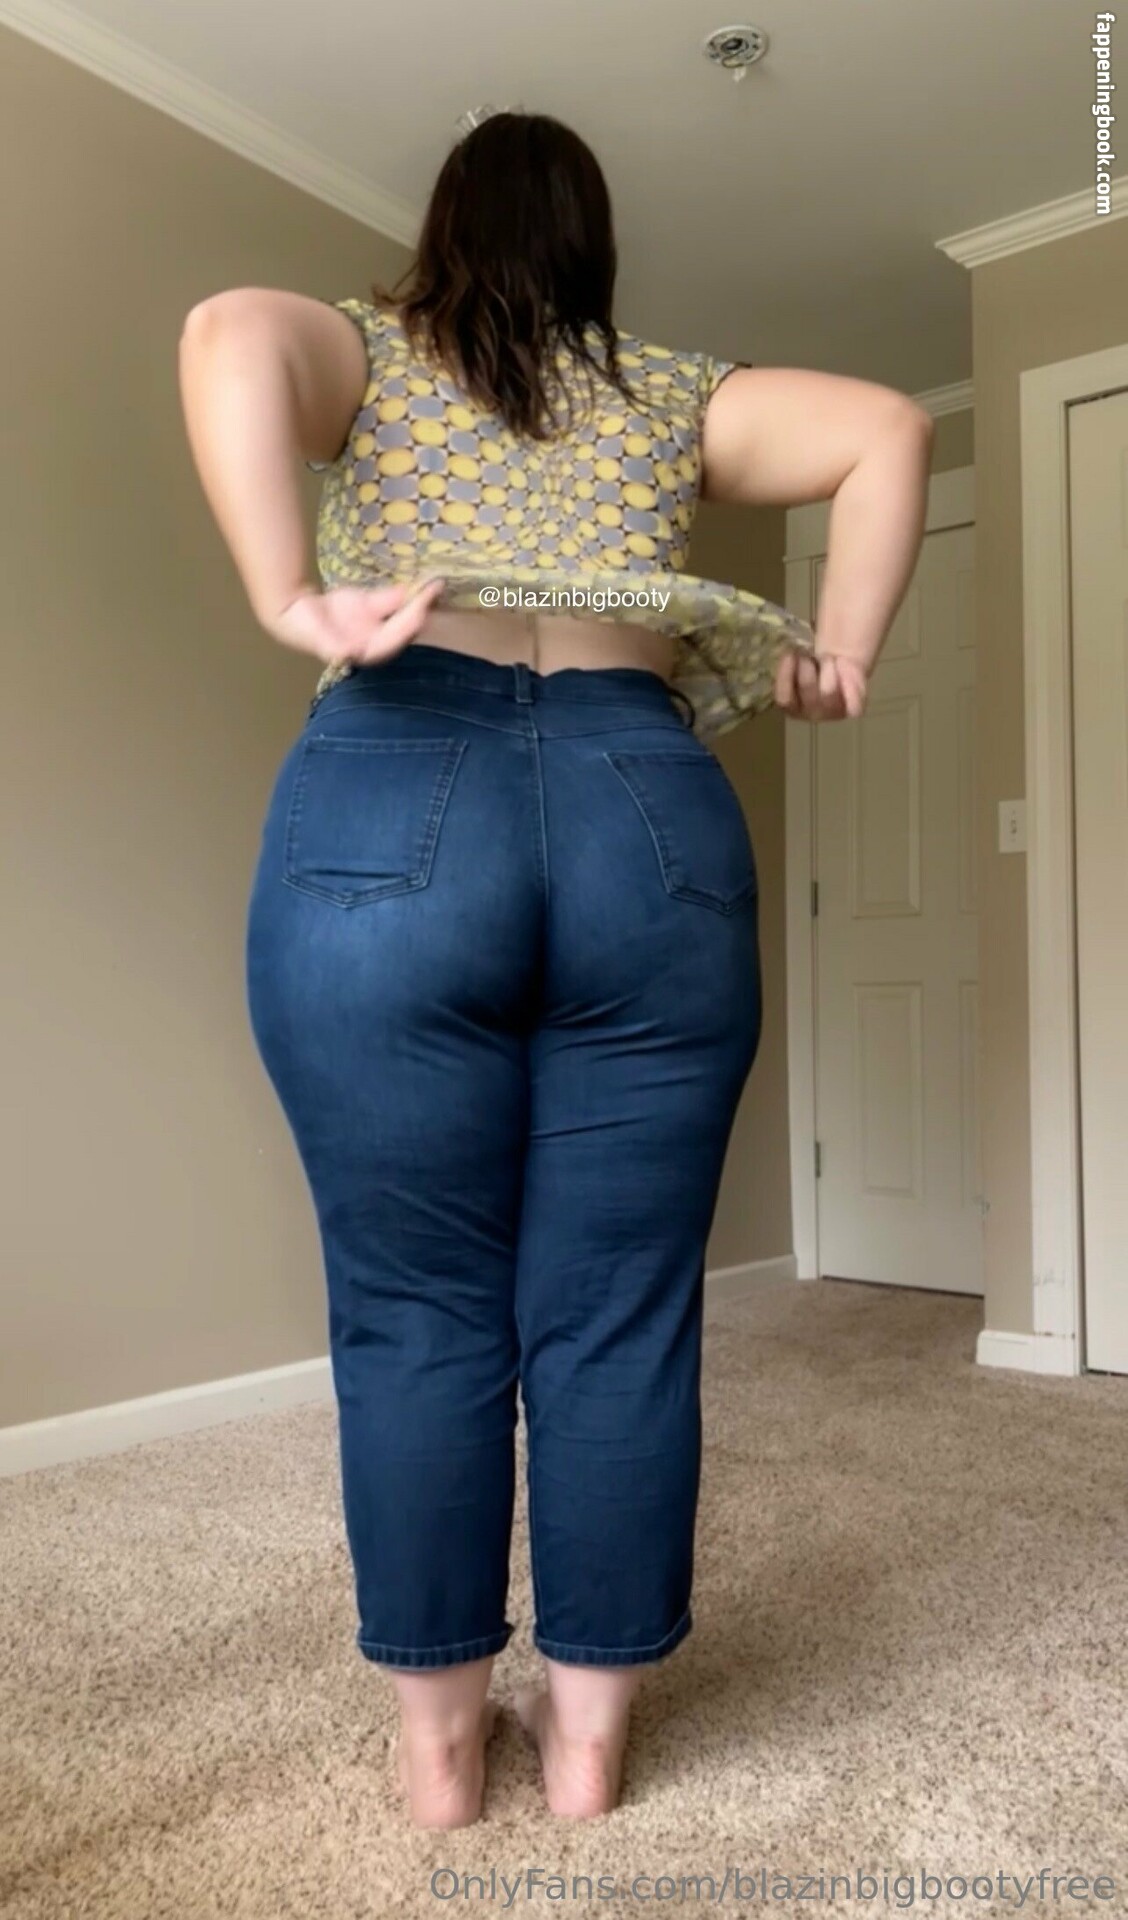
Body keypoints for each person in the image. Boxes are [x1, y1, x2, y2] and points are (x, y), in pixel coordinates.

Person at [178, 109, 933, 1831]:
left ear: (441, 227)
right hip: (637, 801)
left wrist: (291, 593)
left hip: (396, 790)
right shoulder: (668, 388)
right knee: (620, 1308)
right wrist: (843, 652)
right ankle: (588, 1747)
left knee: (413, 1304)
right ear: (593, 244)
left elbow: (225, 331)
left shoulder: (370, 351)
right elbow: (891, 428)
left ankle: (442, 1753)